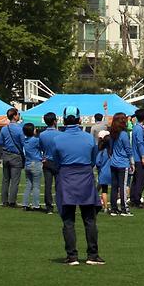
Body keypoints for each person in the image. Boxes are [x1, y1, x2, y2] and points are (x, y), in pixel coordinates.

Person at [47, 105, 103, 265]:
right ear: (79, 119)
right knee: (90, 219)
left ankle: (72, 256)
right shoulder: (89, 138)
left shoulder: (57, 139)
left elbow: (55, 161)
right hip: (85, 177)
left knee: (68, 220)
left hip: (66, 177)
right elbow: (94, 159)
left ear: (63, 120)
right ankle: (93, 255)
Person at [108, 112, 134, 216]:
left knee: (114, 187)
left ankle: (114, 208)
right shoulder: (123, 134)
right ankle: (124, 208)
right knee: (123, 186)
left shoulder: (112, 134)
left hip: (113, 162)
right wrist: (132, 162)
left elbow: (110, 148)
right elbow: (128, 149)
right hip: (123, 163)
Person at [0, 107, 24, 208]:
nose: (19, 116)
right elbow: (23, 143)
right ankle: (12, 201)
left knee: (5, 179)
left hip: (5, 155)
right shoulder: (20, 128)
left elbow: (0, 142)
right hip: (16, 156)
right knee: (15, 180)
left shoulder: (4, 128)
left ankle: (4, 201)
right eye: (18, 114)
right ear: (14, 116)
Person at [39, 111, 59, 214]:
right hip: (57, 162)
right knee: (59, 185)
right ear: (55, 121)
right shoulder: (59, 134)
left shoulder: (42, 135)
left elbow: (41, 148)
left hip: (47, 161)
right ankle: (60, 205)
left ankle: (49, 207)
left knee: (48, 185)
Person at [129, 109, 144, 209]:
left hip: (135, 158)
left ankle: (133, 198)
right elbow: (140, 143)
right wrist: (143, 157)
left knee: (136, 180)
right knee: (140, 180)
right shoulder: (139, 129)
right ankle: (137, 199)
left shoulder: (135, 128)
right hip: (139, 158)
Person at [22, 123, 43, 212]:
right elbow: (42, 147)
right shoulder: (35, 140)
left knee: (28, 185)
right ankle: (36, 205)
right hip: (36, 163)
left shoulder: (25, 141)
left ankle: (25, 204)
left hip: (28, 164)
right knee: (36, 186)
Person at [95, 129, 112, 212]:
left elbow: (98, 162)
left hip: (103, 172)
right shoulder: (111, 152)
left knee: (104, 190)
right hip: (112, 172)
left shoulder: (102, 152)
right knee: (115, 189)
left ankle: (105, 207)